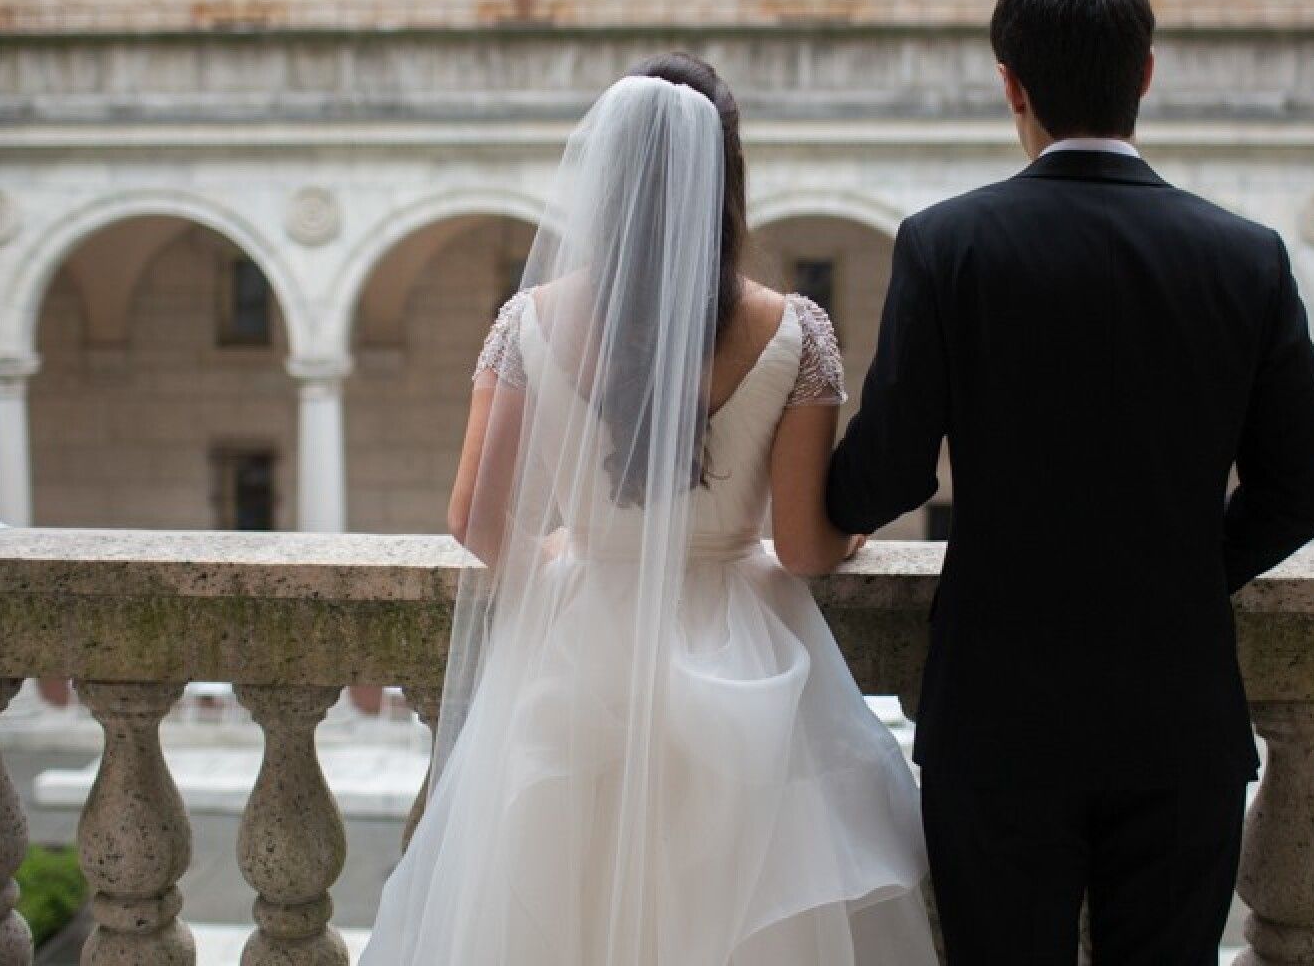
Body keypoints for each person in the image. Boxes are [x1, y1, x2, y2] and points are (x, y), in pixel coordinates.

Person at [825, 0, 1314, 963]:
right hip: (1177, 715)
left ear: (1010, 84)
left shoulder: (947, 244)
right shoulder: (1247, 254)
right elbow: (1308, 485)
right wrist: (1193, 565)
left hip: (999, 716)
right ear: (1146, 73)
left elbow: (884, 479)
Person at [360, 54, 937, 965]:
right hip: (743, 650)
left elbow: (473, 517)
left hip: (580, 636)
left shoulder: (530, 321)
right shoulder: (794, 331)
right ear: (727, 176)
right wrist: (852, 532)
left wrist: (558, 553)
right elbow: (800, 544)